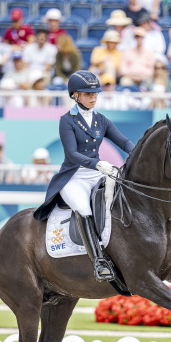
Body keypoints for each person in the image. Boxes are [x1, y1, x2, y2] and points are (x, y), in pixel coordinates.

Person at [32, 70, 135, 283]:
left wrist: (137, 152)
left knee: (117, 202)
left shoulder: (100, 120)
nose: (93, 97)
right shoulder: (67, 121)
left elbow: (123, 142)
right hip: (74, 177)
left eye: (95, 93)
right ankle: (98, 261)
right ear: (75, 95)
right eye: (88, 94)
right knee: (85, 209)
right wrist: (98, 163)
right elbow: (72, 154)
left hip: (97, 175)